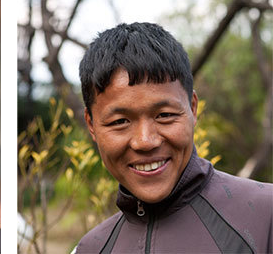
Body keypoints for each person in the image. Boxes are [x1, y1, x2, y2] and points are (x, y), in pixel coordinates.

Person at [74, 22, 272, 253]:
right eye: (120, 121)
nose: (145, 141)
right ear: (91, 124)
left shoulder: (265, 217)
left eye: (165, 115)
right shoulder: (91, 248)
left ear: (192, 108)